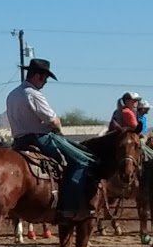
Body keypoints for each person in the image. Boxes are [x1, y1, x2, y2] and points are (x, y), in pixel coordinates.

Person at [6, 58, 95, 221]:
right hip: (40, 138)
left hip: (19, 141)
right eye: (45, 78)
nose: (46, 81)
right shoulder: (33, 94)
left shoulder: (13, 94)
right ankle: (69, 207)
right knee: (82, 160)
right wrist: (58, 128)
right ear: (38, 76)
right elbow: (52, 121)